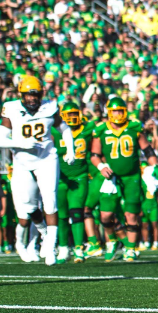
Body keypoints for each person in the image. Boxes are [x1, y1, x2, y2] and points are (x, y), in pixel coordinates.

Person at [0, 75, 75, 264]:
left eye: (35, 95)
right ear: (21, 94)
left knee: (50, 201)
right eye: (28, 95)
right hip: (22, 163)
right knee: (29, 208)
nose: (32, 99)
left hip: (46, 159)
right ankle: (39, 235)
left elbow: (65, 129)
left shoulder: (49, 107)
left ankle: (50, 245)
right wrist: (21, 143)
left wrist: (70, 149)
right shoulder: (12, 108)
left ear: (41, 94)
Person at [90, 96, 158, 262]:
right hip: (111, 178)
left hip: (132, 177)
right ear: (109, 112)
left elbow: (148, 151)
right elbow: (94, 155)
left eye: (121, 110)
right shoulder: (100, 130)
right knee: (105, 215)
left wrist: (154, 168)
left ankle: (130, 248)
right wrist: (101, 167)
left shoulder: (134, 127)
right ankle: (112, 241)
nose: (118, 114)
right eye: (115, 111)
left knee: (131, 214)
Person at [55, 102, 92, 263]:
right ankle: (63, 247)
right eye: (68, 114)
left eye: (74, 114)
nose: (72, 117)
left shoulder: (88, 129)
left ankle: (78, 247)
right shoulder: (54, 131)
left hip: (80, 176)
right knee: (61, 215)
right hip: (60, 178)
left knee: (76, 212)